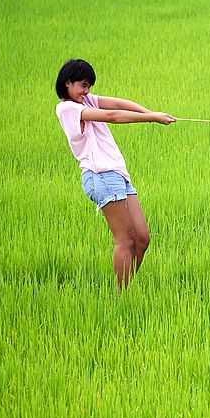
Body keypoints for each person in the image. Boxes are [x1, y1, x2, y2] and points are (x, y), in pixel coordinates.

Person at [55, 59, 176, 289]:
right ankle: (122, 298)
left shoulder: (86, 100)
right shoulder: (68, 108)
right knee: (125, 239)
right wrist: (152, 118)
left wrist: (152, 113)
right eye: (82, 85)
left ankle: (126, 288)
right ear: (68, 83)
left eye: (89, 85)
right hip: (100, 176)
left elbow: (120, 103)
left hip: (118, 175)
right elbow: (113, 116)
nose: (86, 90)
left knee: (142, 238)